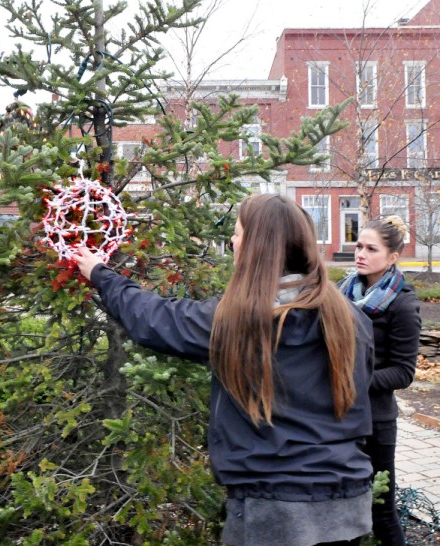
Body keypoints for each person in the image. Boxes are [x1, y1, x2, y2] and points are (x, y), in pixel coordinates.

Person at [71, 193, 375, 546]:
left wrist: (100, 274)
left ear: (255, 247)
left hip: (273, 507)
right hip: (347, 500)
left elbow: (156, 320)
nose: (232, 240)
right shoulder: (348, 317)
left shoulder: (242, 320)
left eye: (237, 233)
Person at [339, 216, 421, 546]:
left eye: (371, 249)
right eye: (359, 245)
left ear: (391, 258)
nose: (360, 253)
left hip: (376, 422)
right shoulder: (342, 292)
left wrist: (352, 382)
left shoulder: (402, 304)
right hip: (338, 416)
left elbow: (403, 372)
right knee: (343, 509)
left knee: (380, 511)